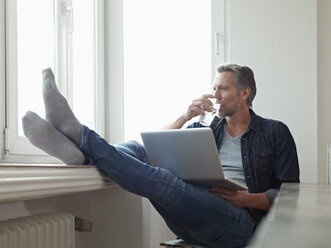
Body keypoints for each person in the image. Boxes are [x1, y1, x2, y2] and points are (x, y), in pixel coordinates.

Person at [22, 64, 299, 248]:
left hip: (238, 222)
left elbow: (290, 196)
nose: (214, 95)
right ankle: (83, 155)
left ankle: (81, 140)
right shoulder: (208, 129)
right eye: (213, 87)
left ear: (245, 93)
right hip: (193, 213)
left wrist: (245, 199)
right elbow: (154, 145)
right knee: (138, 148)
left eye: (223, 88)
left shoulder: (274, 133)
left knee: (163, 179)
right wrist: (185, 116)